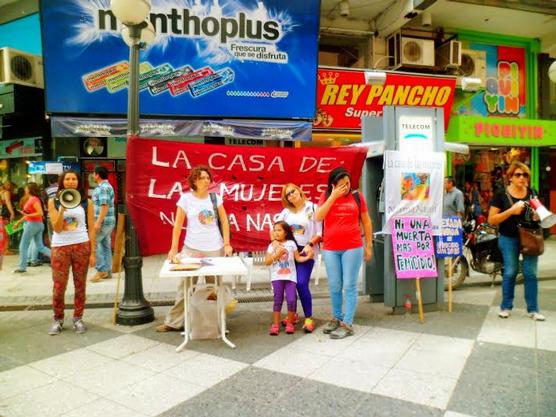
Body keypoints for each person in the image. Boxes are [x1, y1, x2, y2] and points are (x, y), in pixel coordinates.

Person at [157, 165, 233, 332]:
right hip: (191, 249)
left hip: (215, 248)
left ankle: (216, 322)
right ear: (194, 181)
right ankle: (173, 322)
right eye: (202, 178)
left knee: (214, 288)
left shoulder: (215, 198)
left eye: (208, 178)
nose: (206, 181)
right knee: (184, 287)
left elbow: (225, 221)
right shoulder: (185, 199)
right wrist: (173, 248)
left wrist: (227, 244)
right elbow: (177, 225)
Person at [315, 167, 373, 339]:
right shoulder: (326, 196)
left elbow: (367, 222)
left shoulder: (357, 197)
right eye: (341, 185)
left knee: (349, 285)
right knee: (334, 285)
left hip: (352, 247)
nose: (346, 187)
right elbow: (318, 217)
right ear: (333, 185)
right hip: (331, 247)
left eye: (347, 183)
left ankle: (347, 323)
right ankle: (336, 317)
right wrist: (333, 196)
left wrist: (368, 245)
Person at [488, 161, 545, 321]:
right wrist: (511, 211)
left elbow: (540, 214)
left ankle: (533, 310)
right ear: (510, 177)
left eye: (525, 175)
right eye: (518, 175)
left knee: (531, 273)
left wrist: (537, 215)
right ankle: (506, 307)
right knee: (511, 271)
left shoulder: (532, 193)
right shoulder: (501, 194)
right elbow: (492, 219)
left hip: (530, 236)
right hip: (508, 237)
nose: (522, 178)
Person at [47, 170, 96, 335]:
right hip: (60, 247)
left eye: (74, 179)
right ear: (62, 182)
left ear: (78, 182)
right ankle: (58, 319)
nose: (70, 181)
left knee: (80, 285)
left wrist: (93, 252)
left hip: (81, 245)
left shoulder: (86, 202)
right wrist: (62, 208)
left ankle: (78, 318)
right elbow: (57, 228)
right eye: (67, 179)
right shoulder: (52, 201)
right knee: (59, 286)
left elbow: (91, 228)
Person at [274, 183, 322, 333]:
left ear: (299, 191)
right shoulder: (286, 212)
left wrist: (310, 244)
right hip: (288, 253)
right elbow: (275, 229)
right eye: (287, 195)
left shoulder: (313, 208)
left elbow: (320, 233)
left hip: (306, 251)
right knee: (290, 284)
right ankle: (292, 315)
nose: (291, 195)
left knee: (301, 283)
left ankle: (309, 318)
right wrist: (275, 242)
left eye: (292, 191)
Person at [266, 221, 312, 335]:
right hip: (277, 277)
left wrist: (308, 258)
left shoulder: (291, 244)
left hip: (290, 277)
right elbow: (267, 261)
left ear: (286, 232)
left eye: (279, 230)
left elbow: (298, 258)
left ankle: (290, 323)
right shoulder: (272, 246)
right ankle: (275, 325)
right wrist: (276, 255)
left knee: (291, 299)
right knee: (278, 300)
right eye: (275, 230)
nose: (276, 233)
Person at [13, 183, 51, 273]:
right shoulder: (34, 199)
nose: (25, 189)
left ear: (29, 189)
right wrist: (19, 222)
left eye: (26, 188)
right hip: (38, 224)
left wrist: (27, 215)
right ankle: (58, 257)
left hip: (32, 224)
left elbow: (40, 213)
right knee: (40, 246)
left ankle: (22, 267)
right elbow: (29, 215)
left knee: (23, 246)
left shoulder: (33, 199)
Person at [90, 166, 115, 282]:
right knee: (105, 245)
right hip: (108, 221)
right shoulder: (108, 186)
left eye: (93, 173)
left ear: (97, 175)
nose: (92, 175)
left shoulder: (102, 188)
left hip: (103, 222)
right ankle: (108, 271)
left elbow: (104, 205)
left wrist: (98, 222)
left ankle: (101, 270)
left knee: (93, 243)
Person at [0, 182, 15, 254]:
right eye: (8, 185)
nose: (9, 186)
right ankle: (6, 249)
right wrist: (12, 213)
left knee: (3, 232)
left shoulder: (1, 192)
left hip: (2, 214)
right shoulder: (6, 193)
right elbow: (8, 203)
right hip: (5, 214)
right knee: (6, 232)